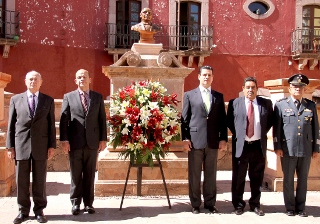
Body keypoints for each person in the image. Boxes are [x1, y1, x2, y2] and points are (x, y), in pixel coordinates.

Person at [6, 71, 56, 224]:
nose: (33, 82)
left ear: (41, 82)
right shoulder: (16, 99)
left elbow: (51, 125)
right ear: (25, 81)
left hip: (41, 145)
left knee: (40, 180)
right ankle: (23, 211)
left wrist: (52, 146)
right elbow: (11, 125)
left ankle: (39, 210)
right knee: (22, 180)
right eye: (30, 79)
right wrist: (10, 147)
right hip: (21, 145)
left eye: (36, 79)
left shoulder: (48, 100)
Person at [59, 69, 107, 215]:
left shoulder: (98, 97)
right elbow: (63, 121)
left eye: (84, 77)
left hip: (92, 142)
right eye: (79, 77)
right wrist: (64, 140)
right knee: (75, 174)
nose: (82, 79)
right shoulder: (68, 97)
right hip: (74, 142)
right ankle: (75, 203)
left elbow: (102, 120)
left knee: (90, 174)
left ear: (89, 79)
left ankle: (88, 204)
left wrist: (103, 139)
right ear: (75, 80)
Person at [181, 65, 228, 214]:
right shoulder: (189, 95)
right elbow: (184, 120)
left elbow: (222, 120)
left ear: (213, 77)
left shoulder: (218, 96)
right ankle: (195, 203)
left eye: (209, 75)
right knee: (194, 174)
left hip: (213, 141)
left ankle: (210, 203)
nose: (207, 77)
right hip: (195, 141)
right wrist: (185, 139)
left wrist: (223, 139)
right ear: (199, 77)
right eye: (204, 75)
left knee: (211, 174)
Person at [273, 73, 319, 217]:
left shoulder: (310, 105)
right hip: (287, 149)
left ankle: (301, 207)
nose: (297, 89)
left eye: (300, 87)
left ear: (304, 89)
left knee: (303, 180)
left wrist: (316, 148)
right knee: (288, 180)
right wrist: (277, 146)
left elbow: (316, 129)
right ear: (290, 88)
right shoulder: (281, 105)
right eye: (294, 87)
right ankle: (290, 207)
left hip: (305, 149)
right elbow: (277, 128)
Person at [227, 77, 273, 216]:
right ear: (243, 89)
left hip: (258, 145)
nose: (250, 90)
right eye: (247, 87)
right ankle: (238, 204)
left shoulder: (266, 103)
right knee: (238, 177)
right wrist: (240, 134)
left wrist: (259, 134)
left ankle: (255, 204)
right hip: (242, 145)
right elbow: (230, 121)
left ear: (257, 89)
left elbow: (270, 121)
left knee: (257, 177)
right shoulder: (235, 103)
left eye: (253, 87)